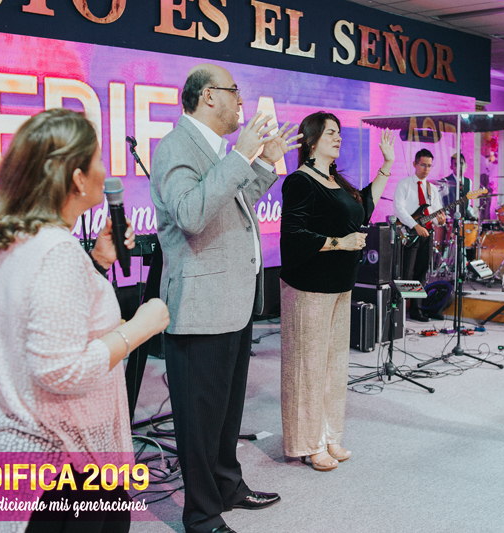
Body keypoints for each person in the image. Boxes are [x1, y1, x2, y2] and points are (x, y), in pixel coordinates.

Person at [0, 108, 170, 532]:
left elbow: (43, 317)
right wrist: (139, 328)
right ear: (77, 178)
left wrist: (96, 263)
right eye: (98, 160)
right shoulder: (55, 252)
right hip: (60, 471)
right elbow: (62, 370)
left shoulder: (3, 239)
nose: (105, 172)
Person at [150, 63, 301, 533]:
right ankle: (200, 514)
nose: (241, 102)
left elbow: (232, 206)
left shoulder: (217, 148)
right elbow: (191, 214)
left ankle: (227, 485)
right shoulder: (175, 147)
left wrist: (263, 162)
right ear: (208, 96)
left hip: (232, 300)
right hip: (199, 306)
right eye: (234, 92)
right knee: (199, 419)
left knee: (226, 412)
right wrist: (240, 156)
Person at [279, 112, 394, 471]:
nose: (338, 137)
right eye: (330, 132)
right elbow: (293, 236)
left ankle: (330, 436)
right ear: (311, 140)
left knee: (333, 366)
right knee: (309, 368)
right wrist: (338, 242)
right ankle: (308, 443)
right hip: (309, 287)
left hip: (340, 286)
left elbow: (364, 208)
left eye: (339, 132)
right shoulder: (300, 181)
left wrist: (387, 166)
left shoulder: (336, 181)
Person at [393, 149, 446, 322]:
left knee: (422, 272)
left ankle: (416, 310)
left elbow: (435, 213)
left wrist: (440, 220)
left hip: (427, 234)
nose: (426, 169)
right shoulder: (404, 184)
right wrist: (415, 226)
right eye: (423, 165)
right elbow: (399, 209)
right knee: (407, 272)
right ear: (415, 164)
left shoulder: (432, 189)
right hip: (409, 234)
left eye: (429, 166)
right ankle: (399, 310)